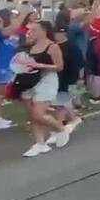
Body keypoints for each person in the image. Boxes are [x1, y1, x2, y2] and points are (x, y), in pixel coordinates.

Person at [21, 21, 72, 157]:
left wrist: (39, 65)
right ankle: (40, 143)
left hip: (47, 80)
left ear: (43, 31)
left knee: (38, 113)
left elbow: (59, 66)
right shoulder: (30, 45)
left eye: (34, 30)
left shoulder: (52, 46)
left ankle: (60, 128)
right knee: (32, 113)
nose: (31, 32)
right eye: (30, 30)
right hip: (30, 80)